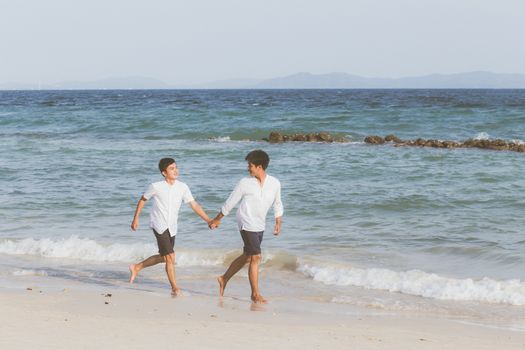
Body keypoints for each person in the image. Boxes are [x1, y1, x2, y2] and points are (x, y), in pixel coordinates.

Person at [209, 150, 283, 303]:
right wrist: (217, 219)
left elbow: (277, 203)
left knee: (248, 256)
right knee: (256, 257)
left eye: (250, 165)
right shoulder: (245, 182)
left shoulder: (275, 183)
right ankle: (255, 294)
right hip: (245, 221)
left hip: (260, 223)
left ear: (259, 166)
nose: (248, 168)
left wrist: (277, 221)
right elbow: (231, 201)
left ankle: (224, 278)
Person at [129, 157, 211, 296]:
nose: (175, 170)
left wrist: (208, 220)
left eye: (176, 167)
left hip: (172, 227)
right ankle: (175, 288)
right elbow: (143, 200)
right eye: (172, 168)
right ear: (164, 172)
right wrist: (135, 219)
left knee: (164, 257)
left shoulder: (182, 187)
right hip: (159, 224)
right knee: (170, 257)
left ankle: (137, 267)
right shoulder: (156, 186)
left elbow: (194, 204)